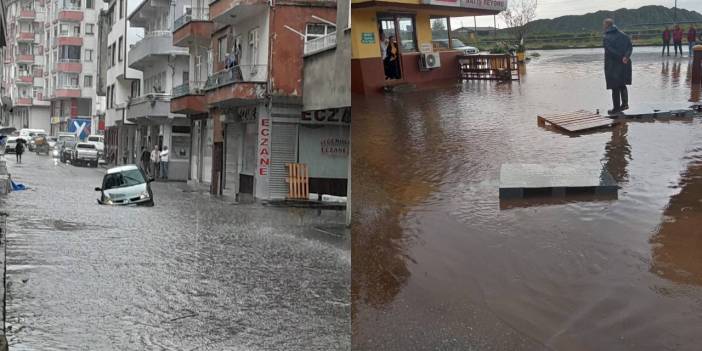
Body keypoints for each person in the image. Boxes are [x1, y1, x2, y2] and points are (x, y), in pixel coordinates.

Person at [603, 18, 632, 115]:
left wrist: (621, 58)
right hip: (624, 63)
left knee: (614, 87)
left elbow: (609, 51)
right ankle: (625, 104)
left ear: (607, 25)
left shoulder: (606, 37)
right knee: (622, 84)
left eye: (604, 25)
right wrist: (626, 57)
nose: (603, 27)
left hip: (613, 65)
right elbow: (630, 47)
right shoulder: (623, 35)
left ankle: (616, 108)